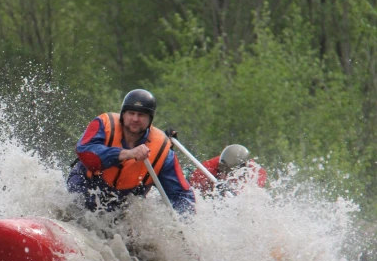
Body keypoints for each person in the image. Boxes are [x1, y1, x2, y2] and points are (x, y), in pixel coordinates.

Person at [66, 89, 195, 214]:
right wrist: (127, 153)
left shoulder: (163, 151)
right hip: (86, 185)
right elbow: (85, 151)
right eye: (131, 113)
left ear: (150, 119)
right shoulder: (104, 123)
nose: (135, 119)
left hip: (122, 201)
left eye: (141, 115)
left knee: (126, 219)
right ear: (123, 114)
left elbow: (181, 195)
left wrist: (184, 223)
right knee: (78, 206)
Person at [188, 144, 268, 194]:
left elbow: (248, 197)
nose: (226, 176)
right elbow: (192, 189)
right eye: (223, 171)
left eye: (230, 174)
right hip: (210, 185)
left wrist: (234, 193)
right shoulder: (207, 169)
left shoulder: (257, 174)